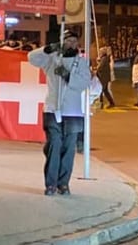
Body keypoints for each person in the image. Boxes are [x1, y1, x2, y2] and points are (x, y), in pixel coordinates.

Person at [28, 30, 91, 196]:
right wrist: (48, 49)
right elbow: (32, 58)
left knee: (68, 149)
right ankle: (51, 183)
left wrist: (68, 75)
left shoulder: (81, 62)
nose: (71, 44)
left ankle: (63, 183)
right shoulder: (52, 59)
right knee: (54, 145)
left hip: (73, 113)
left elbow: (84, 83)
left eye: (74, 41)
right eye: (68, 40)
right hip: (52, 109)